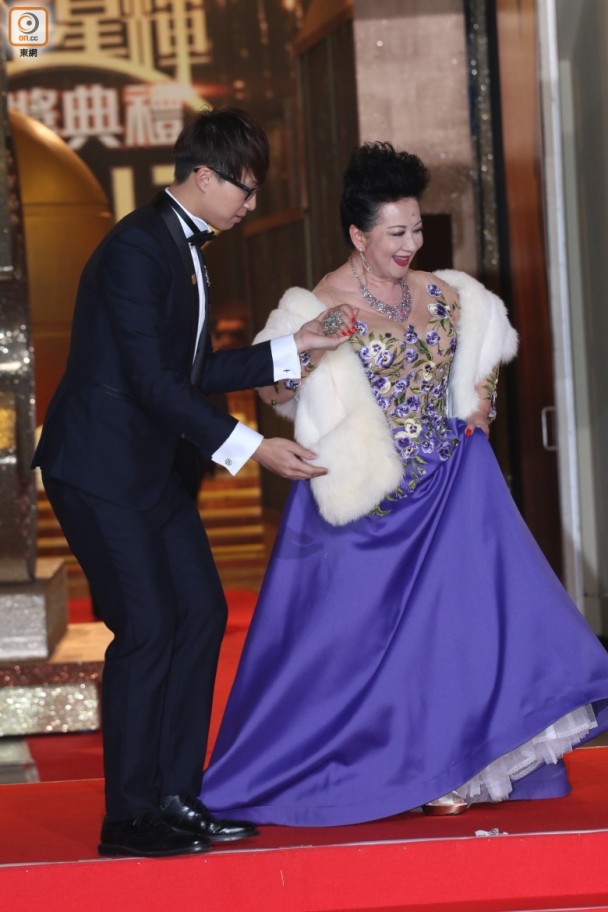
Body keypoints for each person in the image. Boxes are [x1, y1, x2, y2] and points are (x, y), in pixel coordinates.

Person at [201, 141, 608, 826]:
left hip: (451, 490)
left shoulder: (446, 293)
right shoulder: (316, 303)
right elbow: (273, 392)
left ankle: (456, 766)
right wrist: (310, 346)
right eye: (396, 233)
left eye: (416, 229)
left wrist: (480, 401)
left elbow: (481, 360)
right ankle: (370, 767)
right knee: (347, 653)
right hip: (366, 501)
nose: (410, 244)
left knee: (459, 633)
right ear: (358, 235)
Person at [31, 107, 355, 857]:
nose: (251, 203)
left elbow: (195, 370)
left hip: (151, 471)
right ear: (204, 176)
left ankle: (176, 797)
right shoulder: (137, 249)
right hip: (100, 469)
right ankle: (129, 818)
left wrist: (292, 347)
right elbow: (152, 381)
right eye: (245, 188)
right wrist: (254, 447)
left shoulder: (187, 248)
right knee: (148, 628)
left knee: (203, 614)